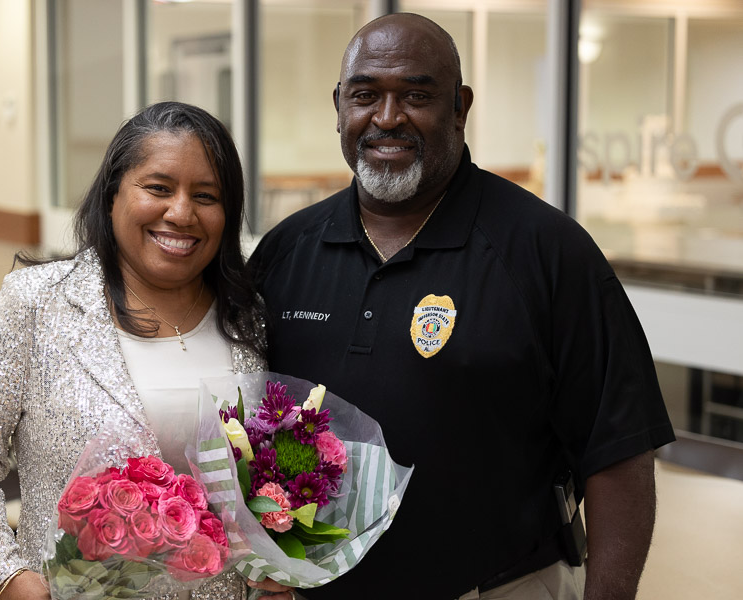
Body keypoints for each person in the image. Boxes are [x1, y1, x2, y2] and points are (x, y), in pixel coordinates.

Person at [248, 13, 675, 600]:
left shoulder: (546, 252)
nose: (388, 117)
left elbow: (619, 451)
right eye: (365, 95)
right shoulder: (285, 252)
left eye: (416, 95)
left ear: (459, 107)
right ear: (339, 106)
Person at [0, 102, 291, 600]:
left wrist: (278, 567)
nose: (181, 212)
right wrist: (6, 578)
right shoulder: (38, 303)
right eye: (158, 188)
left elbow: (265, 478)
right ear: (113, 194)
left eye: (206, 196)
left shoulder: (248, 317)